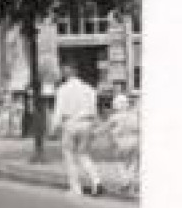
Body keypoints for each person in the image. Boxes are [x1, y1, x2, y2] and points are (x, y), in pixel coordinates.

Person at [51, 62, 103, 197]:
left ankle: (76, 188)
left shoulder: (63, 89)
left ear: (66, 73)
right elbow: (94, 109)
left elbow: (59, 110)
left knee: (69, 156)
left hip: (70, 123)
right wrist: (95, 126)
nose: (63, 73)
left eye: (64, 71)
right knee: (84, 154)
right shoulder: (89, 89)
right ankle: (96, 181)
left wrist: (54, 127)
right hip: (87, 123)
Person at [105, 92, 141, 193]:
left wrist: (94, 133)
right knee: (133, 163)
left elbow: (106, 128)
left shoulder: (115, 117)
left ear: (115, 105)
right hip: (135, 141)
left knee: (119, 162)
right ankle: (131, 183)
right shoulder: (134, 116)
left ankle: (125, 181)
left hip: (121, 142)